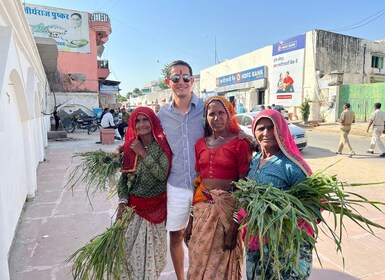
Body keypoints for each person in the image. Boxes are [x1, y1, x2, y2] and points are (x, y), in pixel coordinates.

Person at [185, 96, 252, 279]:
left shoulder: (240, 144)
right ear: (205, 118)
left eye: (221, 113)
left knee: (221, 269)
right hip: (201, 214)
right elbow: (197, 182)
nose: (217, 118)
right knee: (197, 266)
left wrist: (234, 227)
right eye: (211, 113)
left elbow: (245, 188)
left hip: (226, 217)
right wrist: (190, 221)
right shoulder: (200, 144)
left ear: (229, 115)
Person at [242, 109, 314, 279]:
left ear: (281, 130)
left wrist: (282, 216)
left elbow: (312, 205)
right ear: (254, 131)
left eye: (271, 127)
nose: (266, 133)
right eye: (261, 128)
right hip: (257, 238)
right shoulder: (255, 160)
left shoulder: (292, 166)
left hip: (284, 243)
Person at [157, 60, 204, 280]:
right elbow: (149, 140)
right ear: (169, 82)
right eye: (176, 78)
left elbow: (227, 129)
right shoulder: (162, 115)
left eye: (186, 78)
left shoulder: (206, 109)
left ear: (192, 81)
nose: (181, 82)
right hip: (175, 185)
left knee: (201, 236)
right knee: (175, 234)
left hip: (203, 185)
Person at [116, 106, 172, 279]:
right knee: (129, 259)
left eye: (145, 119)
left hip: (156, 211)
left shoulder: (162, 145)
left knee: (154, 260)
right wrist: (122, 202)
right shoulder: (128, 147)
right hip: (134, 212)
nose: (141, 124)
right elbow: (124, 180)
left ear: (153, 121)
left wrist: (143, 153)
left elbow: (162, 174)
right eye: (137, 120)